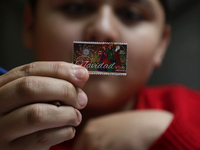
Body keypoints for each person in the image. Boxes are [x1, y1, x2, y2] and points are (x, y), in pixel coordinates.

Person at [0, 0, 200, 149]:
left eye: (131, 14)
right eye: (76, 7)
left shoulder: (192, 112)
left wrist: (168, 136)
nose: (103, 30)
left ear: (161, 44)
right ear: (30, 25)